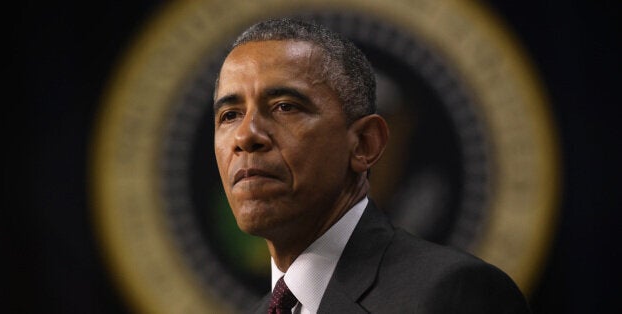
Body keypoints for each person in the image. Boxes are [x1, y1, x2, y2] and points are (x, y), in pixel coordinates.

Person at [213, 18, 531, 314]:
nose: (245, 136)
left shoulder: (452, 294)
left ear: (365, 144)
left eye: (285, 107)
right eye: (229, 115)